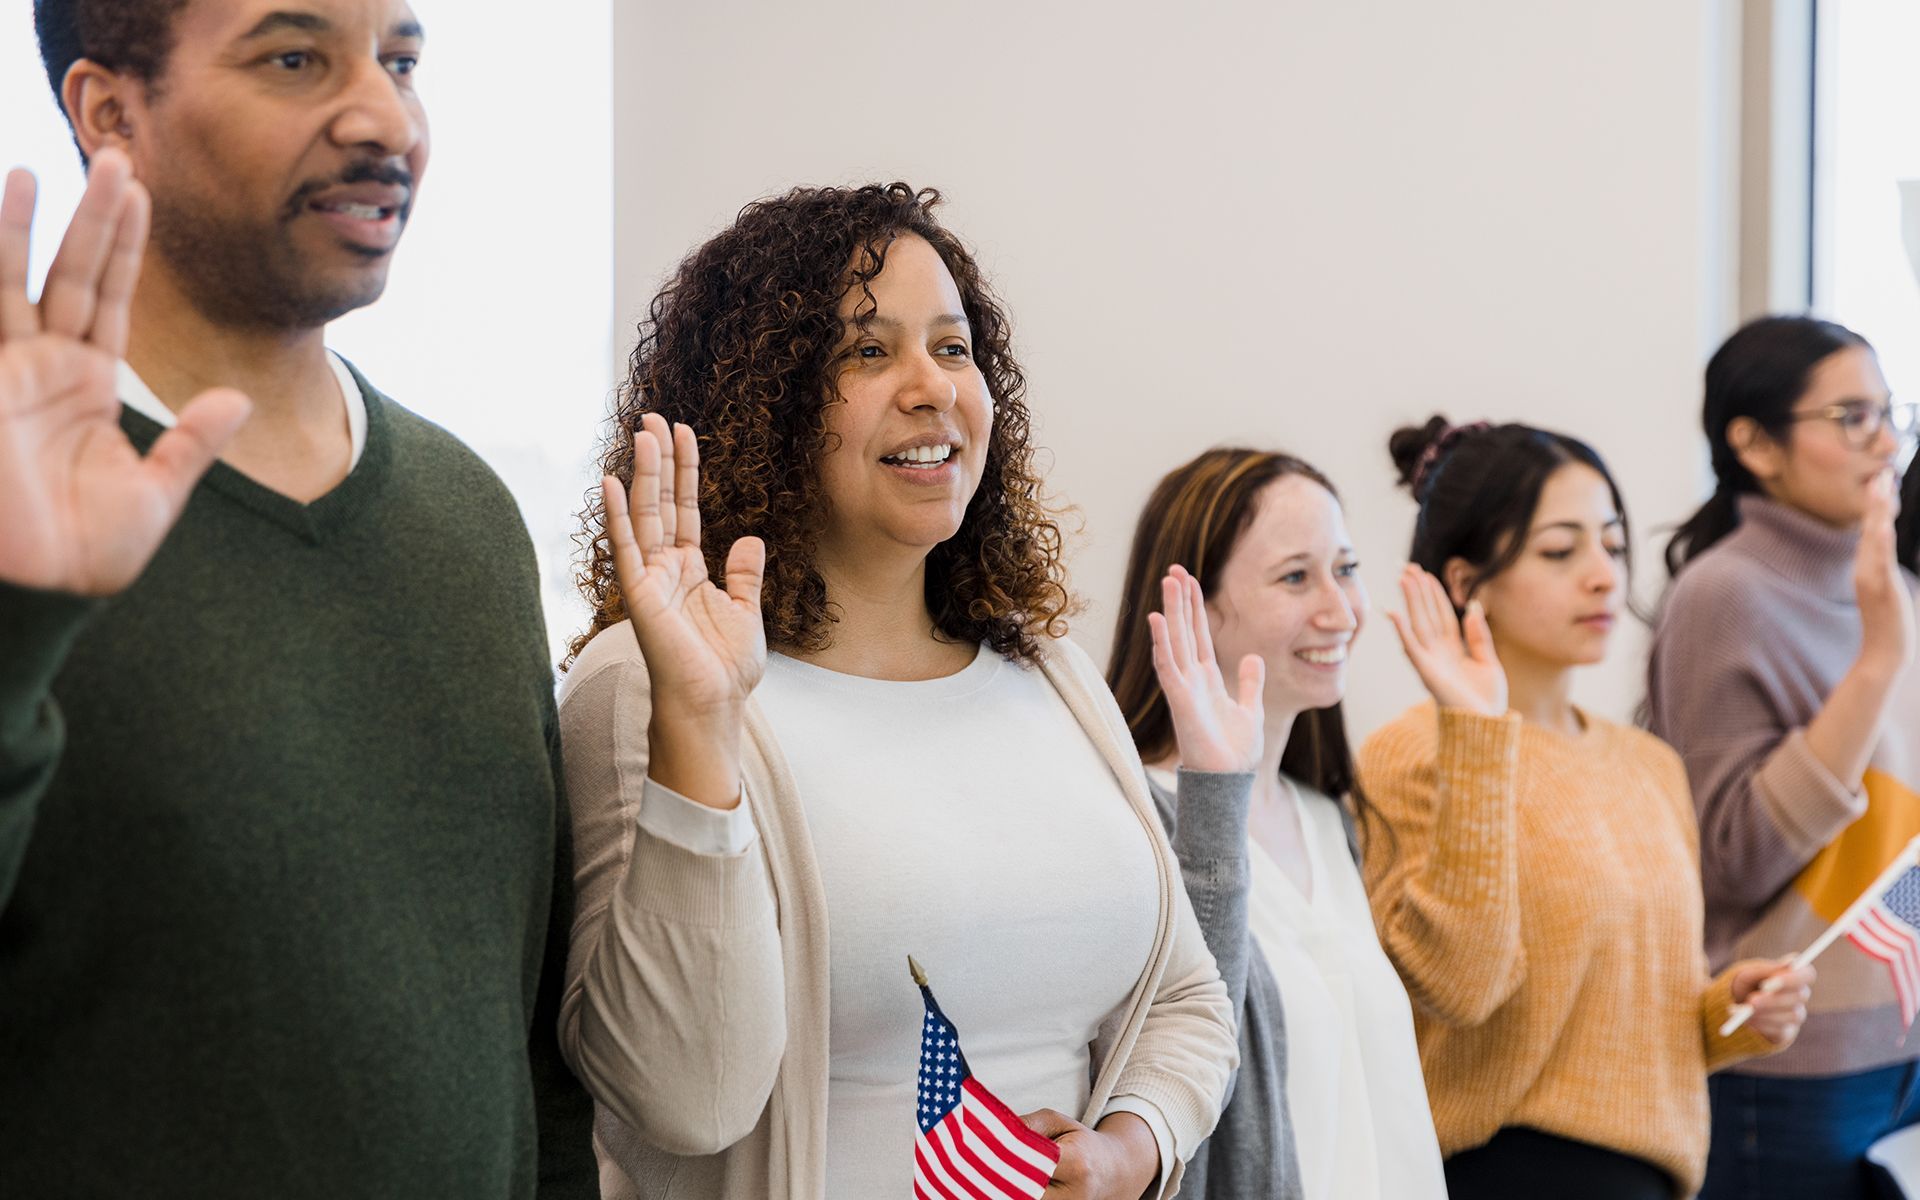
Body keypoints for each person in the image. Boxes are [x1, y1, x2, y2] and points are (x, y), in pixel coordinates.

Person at [0, 2, 594, 1194]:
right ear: (110, 111)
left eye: (403, 62)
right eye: (293, 59)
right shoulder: (14, 510)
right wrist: (23, 621)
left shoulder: (466, 515)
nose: (386, 117)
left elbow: (526, 1054)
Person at [556, 182, 1237, 1200]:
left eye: (954, 348)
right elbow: (684, 1102)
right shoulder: (648, 686)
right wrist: (699, 725)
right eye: (867, 352)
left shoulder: (1046, 675)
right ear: (763, 401)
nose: (931, 387)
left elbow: (1189, 999)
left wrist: (1127, 1150)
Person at [1358, 416, 1813, 1200]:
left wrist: (1726, 1012)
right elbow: (1460, 987)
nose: (1604, 575)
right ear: (1465, 582)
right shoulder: (1415, 755)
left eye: (1611, 544)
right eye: (1561, 551)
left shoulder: (1648, 764)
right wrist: (1476, 732)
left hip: (1651, 1177)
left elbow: (1626, 1017)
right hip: (1499, 1176)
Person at [1104, 448, 1448, 1200]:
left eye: (1347, 569)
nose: (1341, 610)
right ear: (1198, 603)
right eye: (1297, 577)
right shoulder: (1134, 826)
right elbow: (1180, 1075)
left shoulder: (1331, 819)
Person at [1649, 316, 1920, 1199]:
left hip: (1900, 1042)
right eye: (1851, 417)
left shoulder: (1891, 584)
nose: (1884, 444)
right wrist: (1878, 658)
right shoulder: (1725, 593)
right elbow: (1732, 860)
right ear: (1756, 444)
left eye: (1889, 414)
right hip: (1789, 1062)